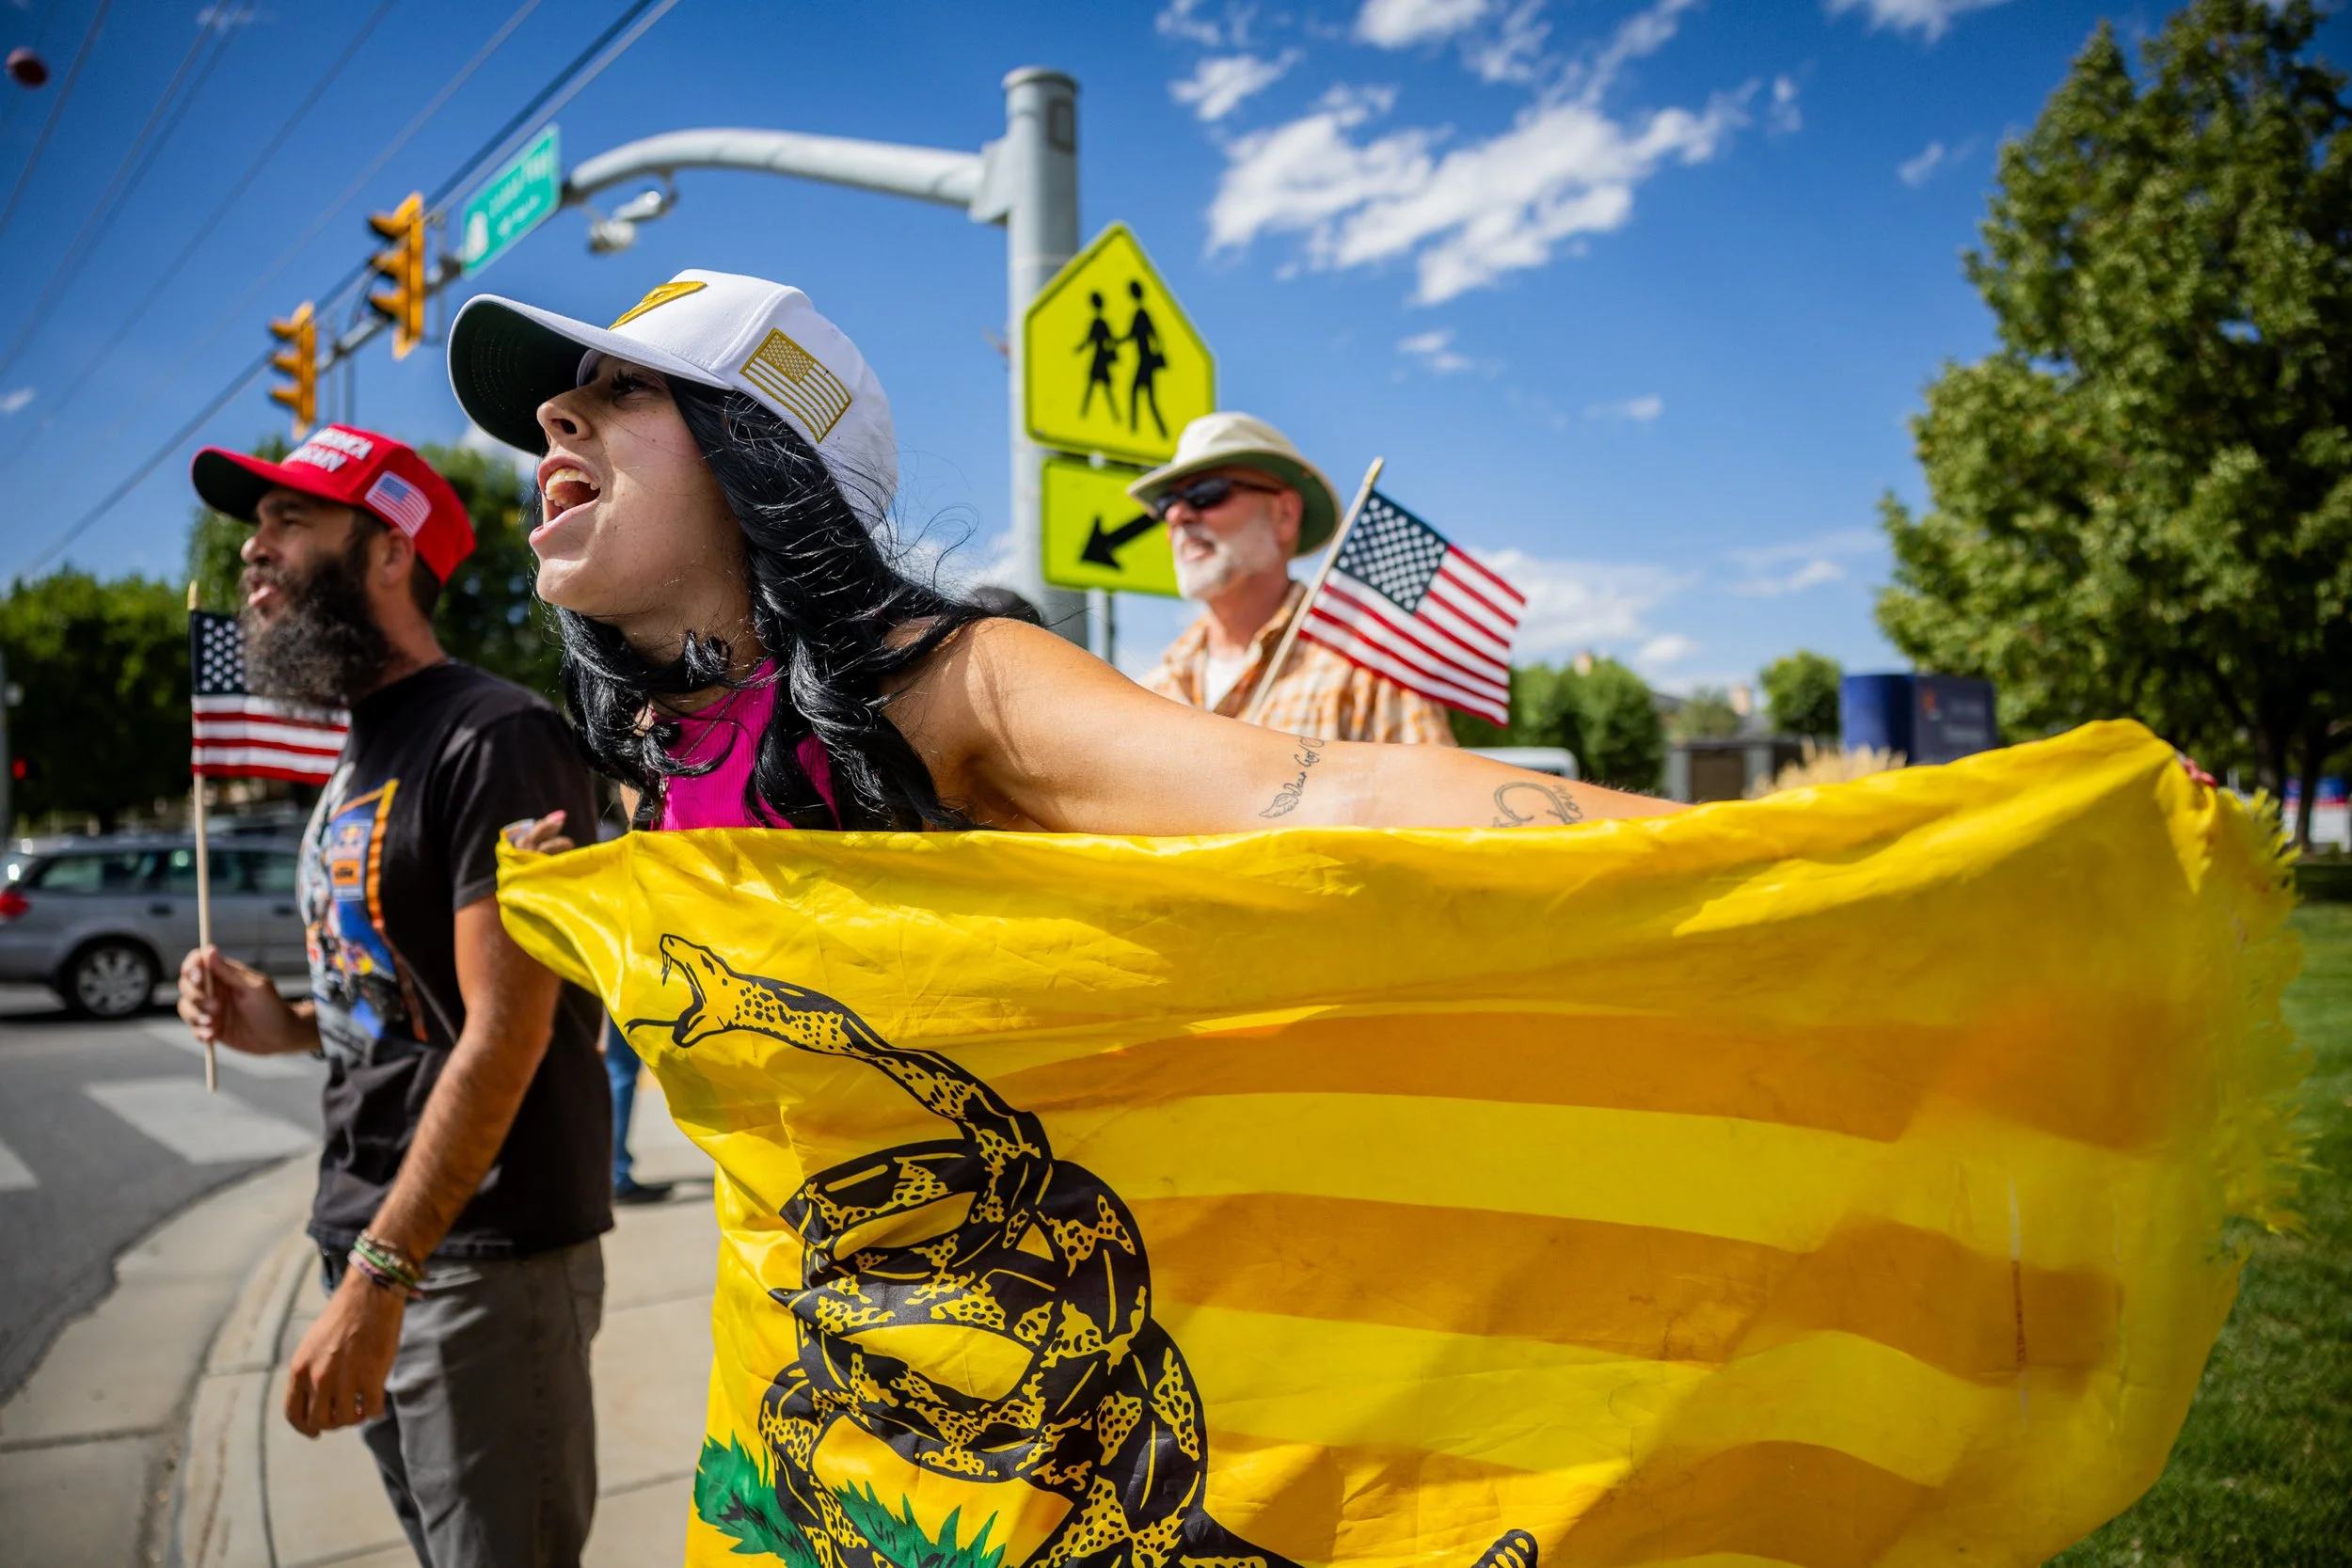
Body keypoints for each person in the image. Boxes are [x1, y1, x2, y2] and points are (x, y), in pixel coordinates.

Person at [446, 267, 1673, 840]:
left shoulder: (961, 684)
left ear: (760, 453)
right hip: (782, 1341)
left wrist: (1745, 853)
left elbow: (1338, 796)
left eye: (626, 389)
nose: (557, 413)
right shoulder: (657, 754)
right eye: (567, 393)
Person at [174, 426, 612, 1567]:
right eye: (253, 526)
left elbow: (505, 1032)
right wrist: (276, 1021)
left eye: (287, 521)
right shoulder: (357, 759)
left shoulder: (494, 738)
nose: (251, 552)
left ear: (386, 550)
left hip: (477, 1261)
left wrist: (381, 1273)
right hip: (382, 1241)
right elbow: (397, 1010)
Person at [1129, 412, 1460, 744]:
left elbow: (1434, 795)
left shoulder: (1371, 673)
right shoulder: (1152, 690)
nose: (1177, 516)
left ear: (1284, 514)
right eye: (1167, 503)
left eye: (1207, 493)